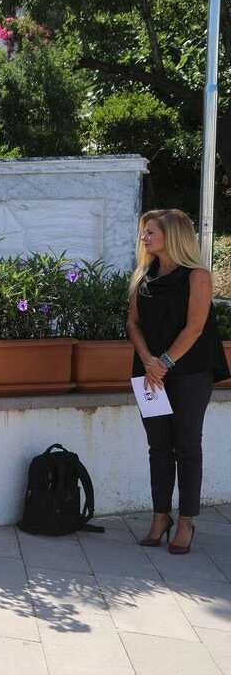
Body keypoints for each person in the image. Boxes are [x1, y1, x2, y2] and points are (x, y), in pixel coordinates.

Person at [128, 209, 228, 554]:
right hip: (149, 371)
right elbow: (133, 324)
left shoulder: (197, 276)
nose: (145, 238)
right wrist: (148, 362)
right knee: (158, 447)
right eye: (145, 232)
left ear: (172, 234)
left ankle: (186, 521)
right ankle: (160, 517)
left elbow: (195, 326)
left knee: (186, 445)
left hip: (190, 371)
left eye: (151, 232)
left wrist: (164, 363)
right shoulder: (144, 275)